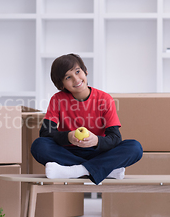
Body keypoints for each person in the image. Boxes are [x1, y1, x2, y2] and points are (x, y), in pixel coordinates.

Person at [31, 53, 142, 185]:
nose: (76, 79)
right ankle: (103, 169)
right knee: (39, 145)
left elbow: (115, 139)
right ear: (61, 85)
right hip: (69, 151)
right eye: (68, 77)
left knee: (135, 147)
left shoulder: (104, 99)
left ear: (86, 71)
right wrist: (69, 137)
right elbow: (45, 133)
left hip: (99, 152)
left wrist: (96, 141)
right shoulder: (57, 99)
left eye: (78, 72)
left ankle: (76, 170)